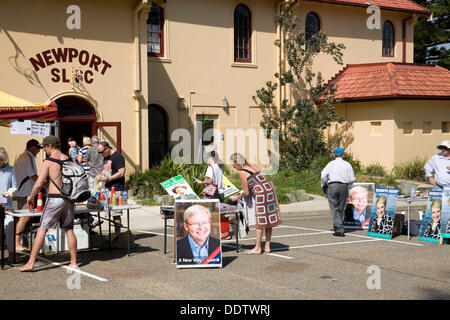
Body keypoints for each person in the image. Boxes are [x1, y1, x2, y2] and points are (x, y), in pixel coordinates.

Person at [20, 136, 78, 271]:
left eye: (45, 147)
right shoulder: (68, 159)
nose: (44, 150)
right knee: (69, 230)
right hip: (69, 199)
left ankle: (30, 263)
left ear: (50, 146)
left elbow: (39, 183)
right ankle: (74, 262)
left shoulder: (48, 162)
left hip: (54, 199)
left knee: (42, 229)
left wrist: (31, 196)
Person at [229, 152, 281, 254]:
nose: (232, 165)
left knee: (260, 221)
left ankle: (257, 248)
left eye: (232, 163)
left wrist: (236, 198)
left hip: (261, 193)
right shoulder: (253, 166)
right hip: (269, 191)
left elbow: (246, 192)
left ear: (236, 162)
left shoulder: (242, 172)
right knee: (267, 219)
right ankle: (267, 246)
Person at [13, 139, 44, 252]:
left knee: (22, 218)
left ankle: (19, 242)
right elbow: (33, 176)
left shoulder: (26, 157)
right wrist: (46, 185)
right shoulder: (27, 157)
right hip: (23, 193)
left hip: (22, 192)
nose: (38, 151)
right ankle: (17, 244)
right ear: (31, 147)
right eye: (37, 148)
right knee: (24, 218)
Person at [321, 148, 355, 237]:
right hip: (344, 186)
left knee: (334, 207)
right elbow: (352, 179)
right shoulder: (347, 164)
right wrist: (348, 186)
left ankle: (339, 229)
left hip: (332, 185)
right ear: (343, 155)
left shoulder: (330, 164)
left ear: (334, 155)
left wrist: (323, 185)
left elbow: (323, 175)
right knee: (341, 208)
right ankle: (338, 226)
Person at [96, 140, 126, 236]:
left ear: (107, 148)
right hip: (108, 189)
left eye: (101, 152)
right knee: (109, 213)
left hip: (117, 189)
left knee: (116, 213)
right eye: (99, 152)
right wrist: (100, 175)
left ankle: (117, 235)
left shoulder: (118, 157)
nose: (100, 154)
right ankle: (114, 236)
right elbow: (106, 169)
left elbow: (121, 172)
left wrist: (108, 178)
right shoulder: (107, 157)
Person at [0, 147, 23, 262]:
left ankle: (11, 253)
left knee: (9, 226)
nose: (0, 163)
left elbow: (14, 185)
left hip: (7, 204)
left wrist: (10, 192)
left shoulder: (11, 169)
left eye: (1, 160)